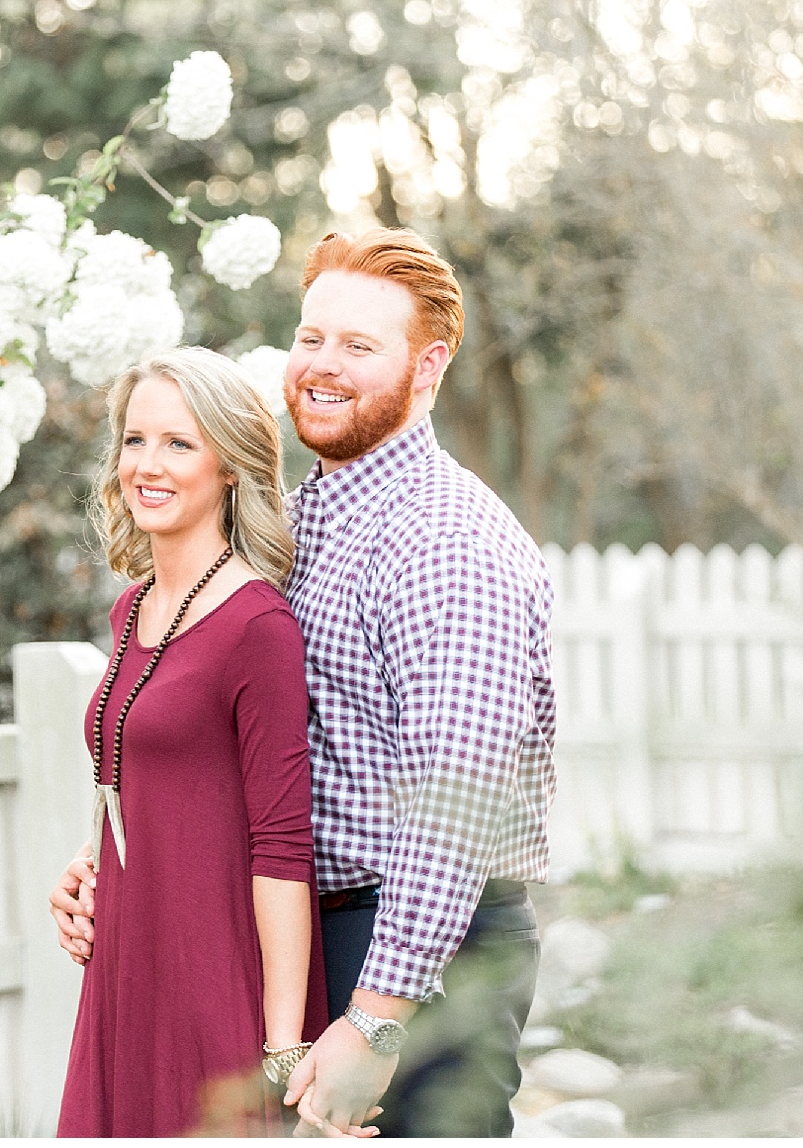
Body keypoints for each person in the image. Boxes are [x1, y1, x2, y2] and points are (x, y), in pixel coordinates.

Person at [56, 230, 556, 1137]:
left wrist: (375, 1020)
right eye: (310, 336)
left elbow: (457, 811)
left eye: (360, 346)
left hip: (420, 958)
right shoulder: (301, 525)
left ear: (429, 365)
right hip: (303, 940)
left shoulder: (449, 545)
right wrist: (122, 865)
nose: (322, 366)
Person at [52, 348, 337, 1138]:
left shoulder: (257, 627)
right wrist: (88, 865)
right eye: (135, 440)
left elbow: (281, 846)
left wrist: (282, 1056)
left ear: (231, 465)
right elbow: (160, 782)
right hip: (127, 971)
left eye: (179, 443)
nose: (148, 463)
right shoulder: (130, 609)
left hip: (213, 982)